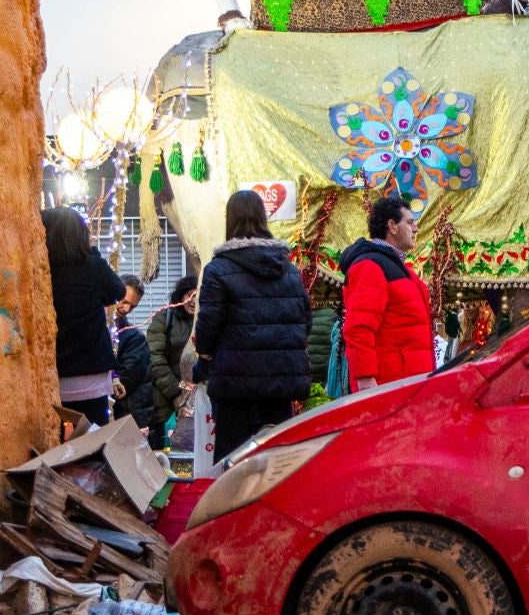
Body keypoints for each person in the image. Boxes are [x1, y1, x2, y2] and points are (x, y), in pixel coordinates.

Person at [192, 191, 313, 460]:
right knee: (276, 458)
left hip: (234, 383)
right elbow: (305, 321)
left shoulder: (218, 269)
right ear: (263, 218)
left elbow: (208, 326)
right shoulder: (288, 269)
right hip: (280, 381)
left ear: (230, 220)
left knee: (233, 458)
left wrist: (204, 357)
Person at [336, 196, 437, 393]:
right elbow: (359, 329)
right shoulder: (370, 266)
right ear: (392, 226)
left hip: (408, 385)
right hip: (389, 389)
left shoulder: (397, 267)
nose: (415, 229)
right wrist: (366, 382)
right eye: (410, 222)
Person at [42, 207, 126, 428]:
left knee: (56, 443)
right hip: (92, 372)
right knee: (91, 442)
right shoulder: (92, 265)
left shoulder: (44, 269)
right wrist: (94, 254)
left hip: (56, 373)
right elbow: (118, 291)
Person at [145, 274, 196, 450]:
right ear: (180, 296)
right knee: (165, 450)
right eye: (189, 294)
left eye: (198, 295)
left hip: (199, 400)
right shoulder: (165, 318)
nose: (193, 300)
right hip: (165, 403)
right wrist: (175, 392)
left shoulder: (207, 321)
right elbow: (154, 358)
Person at [112, 276, 154, 431]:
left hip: (126, 419)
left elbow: (125, 381)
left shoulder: (133, 337)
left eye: (132, 306)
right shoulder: (101, 328)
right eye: (123, 301)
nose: (127, 309)